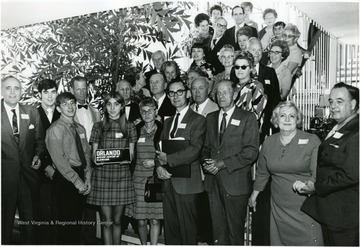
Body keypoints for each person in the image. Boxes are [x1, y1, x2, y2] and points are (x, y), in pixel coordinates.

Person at [248, 101, 324, 245]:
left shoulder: (312, 140)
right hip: (279, 206)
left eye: (292, 116)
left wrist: (309, 187)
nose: (287, 120)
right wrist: (255, 194)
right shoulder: (269, 142)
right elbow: (262, 172)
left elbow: (317, 174)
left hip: (304, 205)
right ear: (276, 120)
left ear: (298, 119)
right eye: (282, 116)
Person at [300, 83, 359, 246]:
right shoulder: (339, 126)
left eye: (339, 101)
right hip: (332, 212)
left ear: (353, 104)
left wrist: (316, 187)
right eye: (331, 101)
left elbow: (351, 174)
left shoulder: (357, 131)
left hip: (345, 216)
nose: (333, 106)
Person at [201, 79, 259, 245]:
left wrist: (222, 163)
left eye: (225, 92)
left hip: (236, 183)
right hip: (213, 184)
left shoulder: (247, 118)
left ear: (234, 94)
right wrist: (206, 162)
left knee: (235, 234)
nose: (221, 96)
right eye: (218, 93)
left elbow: (251, 151)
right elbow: (205, 147)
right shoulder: (210, 118)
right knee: (218, 233)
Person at [155, 79, 206, 245]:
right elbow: (159, 148)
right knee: (171, 232)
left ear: (188, 93)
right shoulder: (168, 121)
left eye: (179, 92)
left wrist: (167, 160)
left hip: (187, 184)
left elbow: (194, 149)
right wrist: (158, 167)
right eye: (171, 93)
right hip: (167, 183)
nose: (175, 96)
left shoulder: (198, 120)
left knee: (188, 232)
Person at [86, 91, 137, 245]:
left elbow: (132, 155)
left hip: (122, 177)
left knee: (117, 220)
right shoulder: (98, 127)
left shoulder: (130, 127)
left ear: (122, 106)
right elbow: (94, 155)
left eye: (116, 104)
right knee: (106, 221)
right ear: (105, 106)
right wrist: (97, 160)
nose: (112, 108)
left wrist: (126, 159)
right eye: (109, 104)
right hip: (102, 178)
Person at [1, 76, 45, 244]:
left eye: (16, 88)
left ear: (22, 91)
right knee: (3, 225)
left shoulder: (32, 112)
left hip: (28, 177)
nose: (13, 92)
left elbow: (40, 141)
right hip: (3, 178)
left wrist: (37, 155)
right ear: (1, 90)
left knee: (29, 223)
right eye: (8, 88)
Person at [46, 92, 92, 245]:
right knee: (66, 225)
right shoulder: (56, 129)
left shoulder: (80, 128)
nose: (70, 106)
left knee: (77, 223)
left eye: (72, 102)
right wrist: (77, 182)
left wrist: (88, 178)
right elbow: (59, 161)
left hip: (81, 176)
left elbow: (86, 153)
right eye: (65, 104)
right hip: (65, 179)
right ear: (58, 109)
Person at [69, 75, 100, 244]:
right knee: (75, 208)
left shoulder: (95, 110)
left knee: (90, 207)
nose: (81, 92)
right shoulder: (67, 112)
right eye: (78, 89)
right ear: (72, 90)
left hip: (93, 164)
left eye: (84, 88)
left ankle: (89, 242)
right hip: (75, 165)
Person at [190, 76, 218, 244]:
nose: (197, 92)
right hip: (192, 168)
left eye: (201, 88)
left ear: (208, 89)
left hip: (208, 166)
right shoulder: (189, 109)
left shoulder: (215, 109)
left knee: (209, 208)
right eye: (194, 89)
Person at [133, 97, 163, 245]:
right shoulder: (136, 130)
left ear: (155, 111)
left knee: (155, 219)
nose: (147, 114)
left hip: (155, 179)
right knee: (141, 221)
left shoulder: (163, 129)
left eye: (150, 111)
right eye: (143, 111)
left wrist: (154, 162)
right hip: (138, 181)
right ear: (140, 113)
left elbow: (167, 154)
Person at [35, 79, 61, 244]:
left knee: (60, 217)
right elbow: (32, 144)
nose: (50, 96)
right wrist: (46, 167)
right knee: (42, 217)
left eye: (53, 92)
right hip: (39, 174)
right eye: (46, 92)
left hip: (62, 172)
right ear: (39, 95)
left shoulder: (63, 113)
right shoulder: (32, 113)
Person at [230, 51, 267, 126]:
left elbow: (256, 115)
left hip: (248, 130)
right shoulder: (232, 87)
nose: (240, 70)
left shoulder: (256, 86)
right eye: (237, 67)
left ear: (251, 68)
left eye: (243, 67)